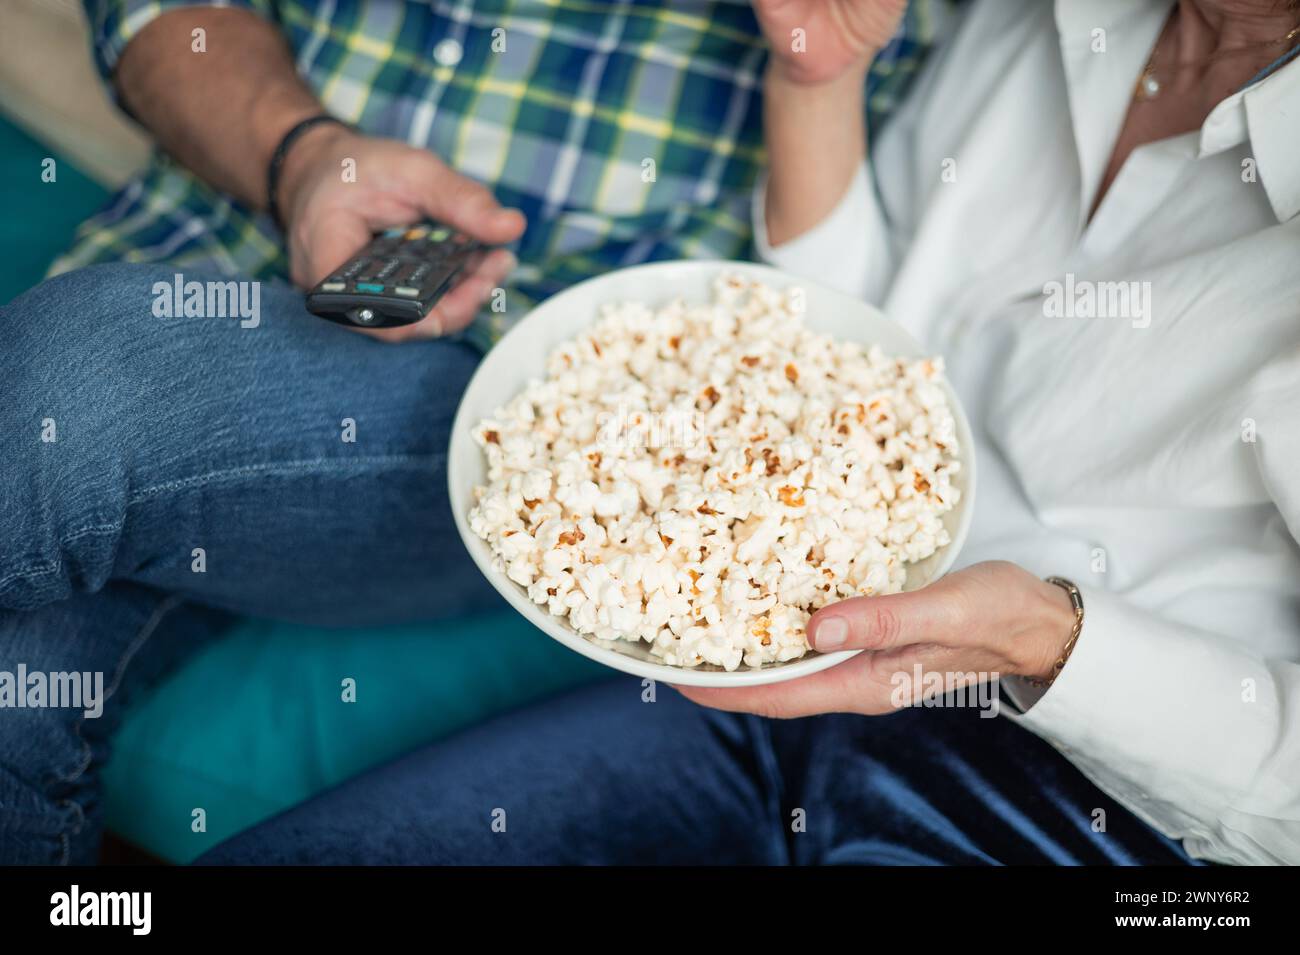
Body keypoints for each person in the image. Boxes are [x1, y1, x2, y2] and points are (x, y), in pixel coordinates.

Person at [199, 0, 1300, 866]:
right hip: (793, 671)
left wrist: (1052, 642)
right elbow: (864, 336)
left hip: (1100, 809)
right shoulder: (1039, 17)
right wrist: (815, 81)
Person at [0, 0, 943, 864]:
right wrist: (297, 152)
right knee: (18, 687)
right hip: (205, 227)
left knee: (75, 387)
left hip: (529, 408)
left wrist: (813, 77)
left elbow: (863, 274)